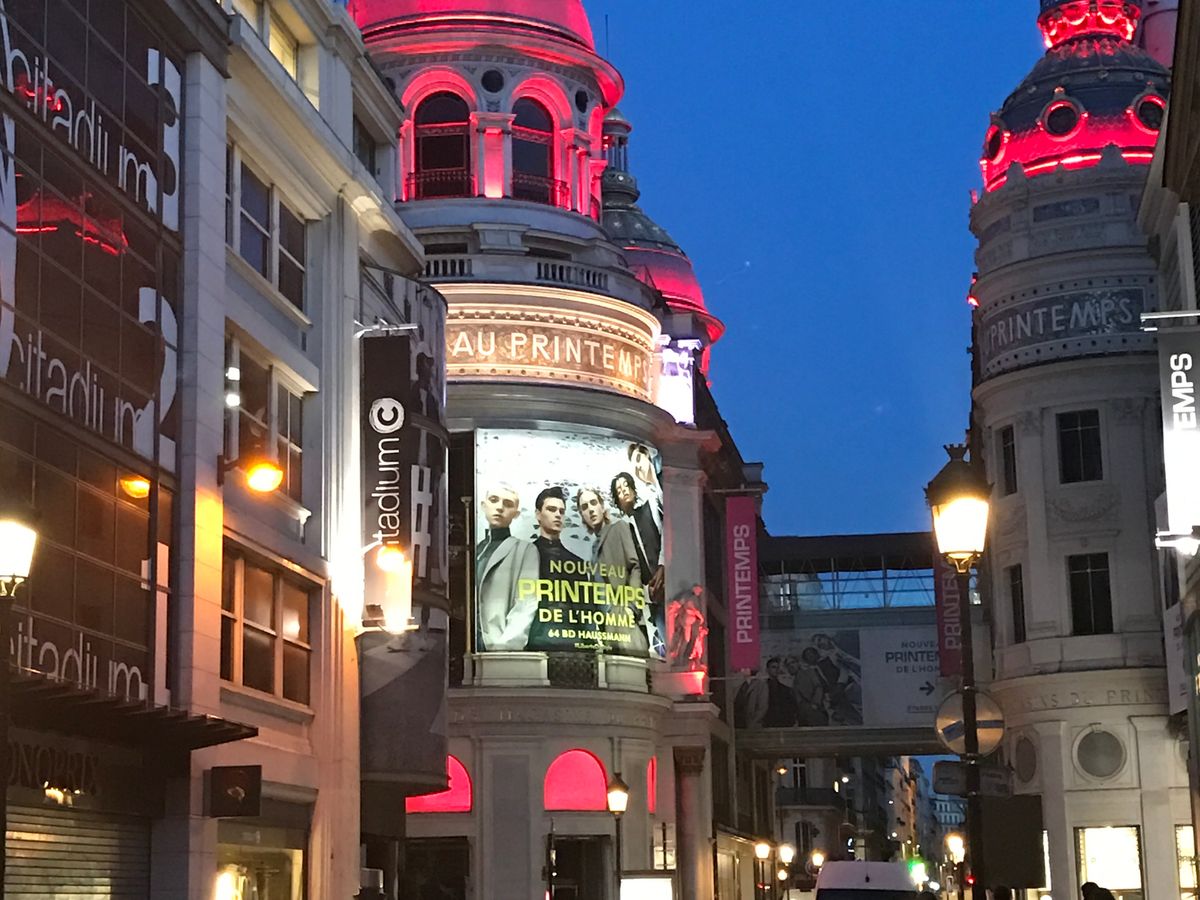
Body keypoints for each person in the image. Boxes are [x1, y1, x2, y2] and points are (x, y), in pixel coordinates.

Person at [576, 487, 655, 655]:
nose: (590, 510)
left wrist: (631, 607)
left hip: (621, 615)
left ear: (602, 505)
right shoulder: (593, 549)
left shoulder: (619, 528)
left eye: (593, 503)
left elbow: (634, 567)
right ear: (582, 514)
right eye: (584, 507)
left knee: (632, 664)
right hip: (605, 625)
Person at [475, 485, 538, 651]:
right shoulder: (476, 550)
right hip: (467, 641)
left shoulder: (525, 550)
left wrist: (506, 645)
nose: (500, 507)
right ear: (483, 505)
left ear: (516, 514)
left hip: (496, 643)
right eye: (493, 500)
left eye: (508, 504)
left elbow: (526, 603)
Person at [525, 486, 584, 651]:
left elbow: (585, 611)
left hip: (572, 643)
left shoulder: (576, 562)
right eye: (551, 509)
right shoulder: (525, 556)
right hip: (535, 641)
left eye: (561, 511)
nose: (558, 515)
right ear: (538, 514)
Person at [611, 472, 665, 602]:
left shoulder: (650, 507)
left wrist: (662, 565)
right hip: (650, 598)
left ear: (633, 490)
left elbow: (666, 533)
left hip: (670, 580)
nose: (624, 491)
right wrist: (647, 593)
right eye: (619, 490)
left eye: (626, 485)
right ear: (617, 500)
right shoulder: (621, 532)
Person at [790, 648, 830, 726]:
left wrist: (815, 704)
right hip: (802, 717)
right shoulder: (793, 683)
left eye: (793, 662)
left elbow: (818, 687)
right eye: (788, 665)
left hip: (815, 712)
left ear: (798, 663)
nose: (791, 665)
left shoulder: (809, 672)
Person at [762, 656, 798, 727]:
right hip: (767, 723)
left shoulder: (786, 689)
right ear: (767, 670)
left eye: (778, 667)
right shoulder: (762, 688)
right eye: (773, 667)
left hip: (784, 723)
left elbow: (792, 707)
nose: (776, 670)